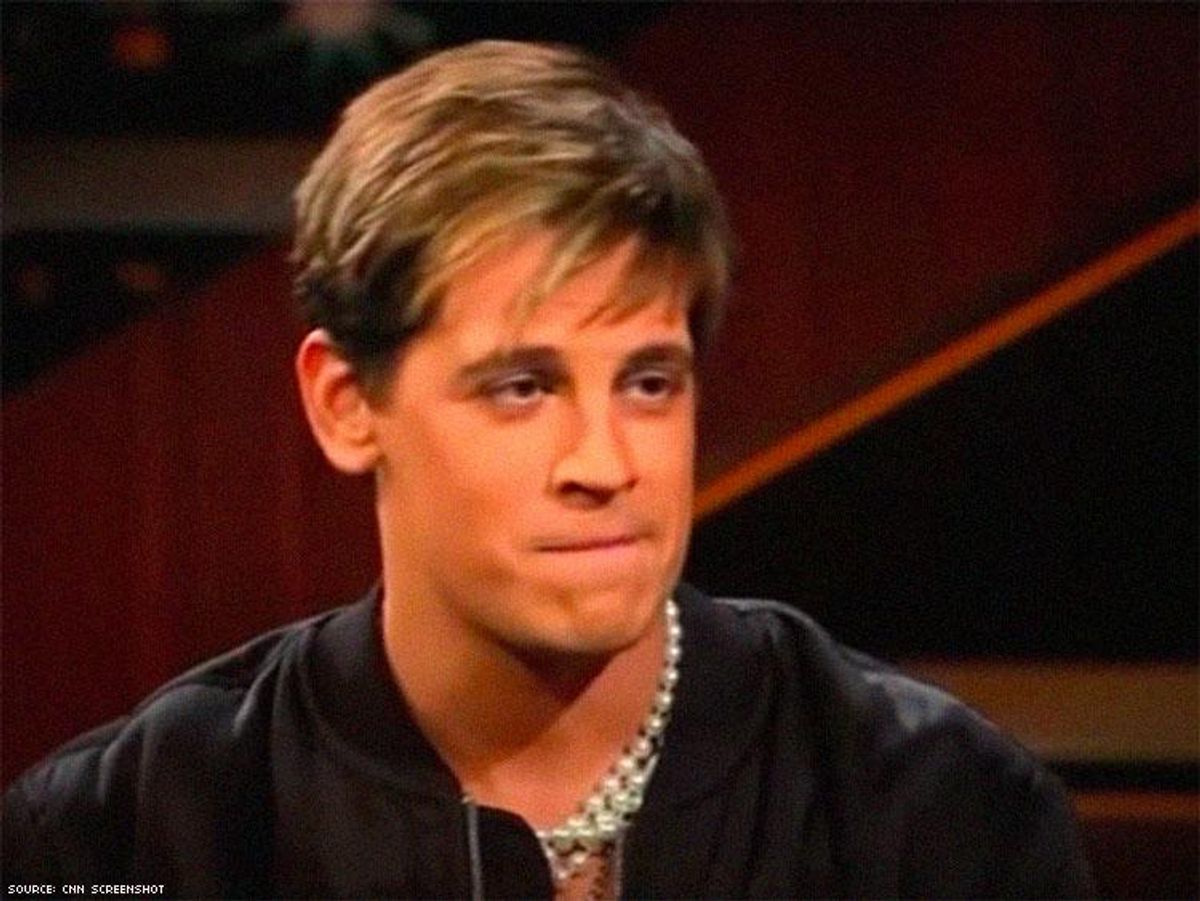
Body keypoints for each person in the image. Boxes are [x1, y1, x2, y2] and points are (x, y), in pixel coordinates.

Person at [4, 40, 1091, 899]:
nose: (605, 463)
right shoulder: (120, 837)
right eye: (522, 387)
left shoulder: (940, 814)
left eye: (649, 383)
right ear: (345, 403)